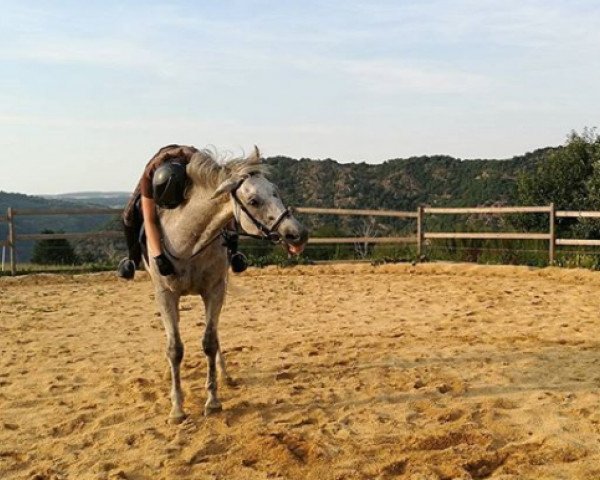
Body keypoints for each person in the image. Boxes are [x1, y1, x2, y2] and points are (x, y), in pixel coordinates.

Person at [117, 144, 199, 280]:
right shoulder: (149, 175)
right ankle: (132, 260)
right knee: (129, 214)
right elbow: (149, 219)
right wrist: (158, 257)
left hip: (194, 168)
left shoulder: (197, 171)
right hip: (161, 165)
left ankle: (234, 253)